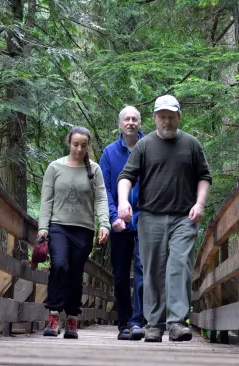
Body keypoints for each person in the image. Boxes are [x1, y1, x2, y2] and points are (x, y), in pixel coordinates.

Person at [117, 95, 211, 342]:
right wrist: (124, 201)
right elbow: (126, 176)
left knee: (179, 266)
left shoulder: (191, 144)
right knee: (153, 270)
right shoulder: (144, 146)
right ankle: (154, 324)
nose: (166, 122)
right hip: (151, 217)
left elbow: (204, 176)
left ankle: (177, 322)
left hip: (184, 217)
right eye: (162, 117)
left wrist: (200, 203)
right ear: (155, 118)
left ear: (179, 117)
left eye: (171, 117)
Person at [37, 126, 110, 338]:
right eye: (75, 144)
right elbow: (46, 200)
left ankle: (72, 319)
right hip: (58, 226)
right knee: (59, 266)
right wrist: (43, 228)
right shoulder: (54, 167)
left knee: (76, 273)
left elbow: (101, 198)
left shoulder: (94, 170)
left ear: (88, 146)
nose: (79, 149)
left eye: (84, 145)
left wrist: (104, 223)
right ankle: (53, 316)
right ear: (69, 143)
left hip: (83, 229)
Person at [99, 106, 147, 341]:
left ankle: (137, 321)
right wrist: (112, 217)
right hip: (119, 222)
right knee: (119, 275)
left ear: (140, 123)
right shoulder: (109, 153)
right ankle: (124, 323)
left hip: (145, 220)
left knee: (141, 271)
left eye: (134, 119)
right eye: (126, 119)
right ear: (120, 124)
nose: (130, 122)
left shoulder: (150, 147)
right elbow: (105, 189)